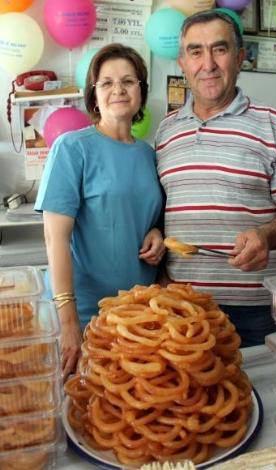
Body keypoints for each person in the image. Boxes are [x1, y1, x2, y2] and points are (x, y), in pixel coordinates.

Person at [155, 9, 276, 347]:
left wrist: (266, 235)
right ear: (182, 63)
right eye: (195, 51)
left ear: (240, 57)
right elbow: (159, 212)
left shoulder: (274, 124)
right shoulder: (165, 131)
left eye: (220, 49)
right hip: (182, 305)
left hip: (256, 309)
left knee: (257, 395)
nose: (208, 64)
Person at [35, 43, 165, 379]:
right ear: (94, 95)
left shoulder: (148, 154)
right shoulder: (73, 148)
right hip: (89, 314)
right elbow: (55, 239)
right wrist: (68, 323)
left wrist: (158, 232)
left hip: (141, 313)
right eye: (106, 82)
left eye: (128, 81)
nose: (118, 89)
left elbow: (146, 215)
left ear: (141, 91)